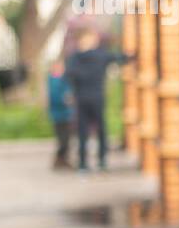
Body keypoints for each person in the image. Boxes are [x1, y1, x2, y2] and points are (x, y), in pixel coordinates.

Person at [65, 29, 128, 172]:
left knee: (84, 131)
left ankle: (85, 164)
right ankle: (100, 161)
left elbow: (68, 76)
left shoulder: (74, 58)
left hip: (82, 98)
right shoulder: (100, 55)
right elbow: (121, 58)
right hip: (94, 97)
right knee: (98, 130)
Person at [46, 59, 73, 169]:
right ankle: (59, 159)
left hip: (66, 113)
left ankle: (63, 159)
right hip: (58, 113)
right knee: (63, 139)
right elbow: (55, 97)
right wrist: (65, 99)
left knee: (66, 139)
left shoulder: (63, 79)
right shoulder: (53, 80)